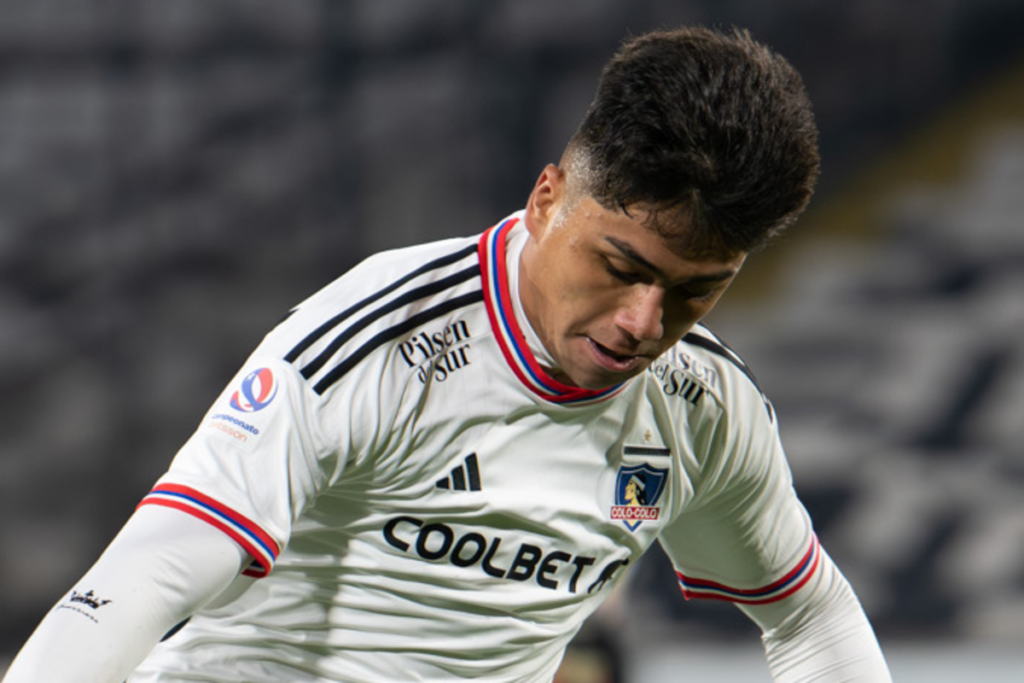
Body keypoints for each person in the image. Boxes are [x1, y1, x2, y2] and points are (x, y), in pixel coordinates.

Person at [3, 25, 893, 682]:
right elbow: (149, 572)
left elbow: (810, 617)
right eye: (620, 266)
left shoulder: (704, 408)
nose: (642, 322)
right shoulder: (377, 341)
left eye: (697, 291)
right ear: (548, 198)